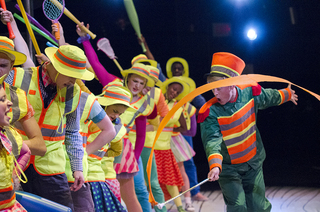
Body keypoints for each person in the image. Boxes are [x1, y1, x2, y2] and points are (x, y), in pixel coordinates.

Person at [199, 52, 298, 211]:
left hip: (252, 162)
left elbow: (267, 97)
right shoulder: (209, 112)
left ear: (232, 84)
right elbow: (212, 141)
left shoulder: (249, 92)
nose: (214, 93)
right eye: (212, 88)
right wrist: (215, 165)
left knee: (258, 207)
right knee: (238, 207)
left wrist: (286, 94)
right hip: (228, 169)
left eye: (218, 88)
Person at [76, 23, 157, 212]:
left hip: (122, 148)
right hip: (98, 142)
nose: (136, 85)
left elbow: (142, 135)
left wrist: (135, 157)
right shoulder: (113, 85)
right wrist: (86, 41)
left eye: (141, 83)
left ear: (145, 85)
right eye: (134, 81)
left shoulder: (143, 103)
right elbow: (96, 65)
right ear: (127, 80)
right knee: (99, 191)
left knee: (136, 192)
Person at [138, 35, 208, 201]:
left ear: (184, 70)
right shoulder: (167, 82)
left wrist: (189, 114)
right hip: (166, 131)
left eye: (179, 68)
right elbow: (155, 65)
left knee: (187, 162)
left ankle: (194, 192)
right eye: (174, 68)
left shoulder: (189, 88)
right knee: (163, 164)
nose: (177, 70)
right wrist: (145, 45)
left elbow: (202, 105)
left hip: (180, 131)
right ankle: (163, 197)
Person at [0, 9, 46, 158]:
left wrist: (8, 142)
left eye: (2, 66)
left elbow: (40, 146)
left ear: (12, 66)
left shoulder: (17, 94)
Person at [154, 76, 192, 212]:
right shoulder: (156, 100)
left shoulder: (177, 106)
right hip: (151, 146)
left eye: (178, 92)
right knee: (150, 180)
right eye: (174, 89)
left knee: (171, 180)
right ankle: (150, 206)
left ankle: (181, 207)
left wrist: (169, 129)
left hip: (165, 148)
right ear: (168, 87)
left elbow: (184, 127)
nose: (175, 92)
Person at [0, 74, 30, 212]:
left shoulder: (8, 133)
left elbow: (26, 151)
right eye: (2, 99)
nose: (10, 103)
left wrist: (14, 174)